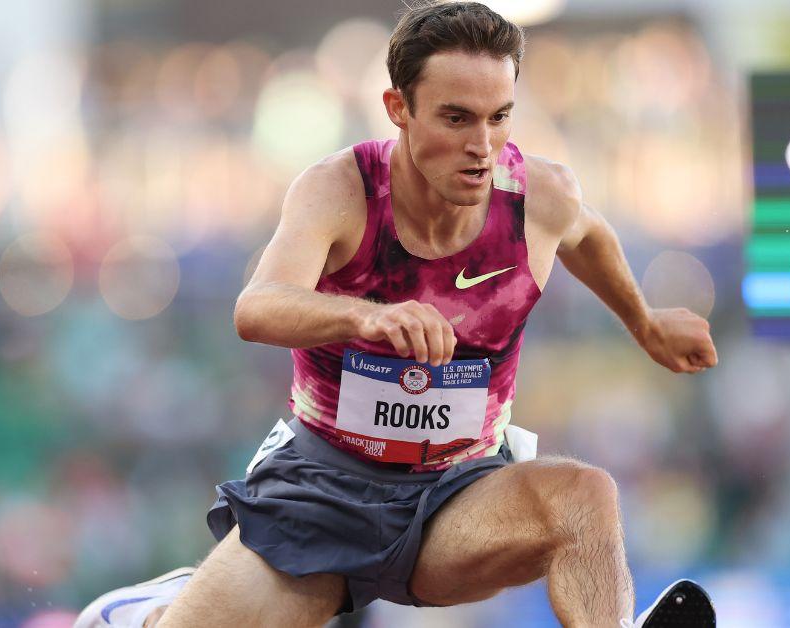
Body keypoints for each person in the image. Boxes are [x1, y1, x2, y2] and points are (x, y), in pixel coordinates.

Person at [77, 2, 719, 626]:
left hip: (459, 495)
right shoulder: (339, 189)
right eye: (456, 118)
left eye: (499, 117)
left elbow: (589, 237)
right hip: (323, 491)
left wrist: (645, 321)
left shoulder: (538, 196)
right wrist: (363, 317)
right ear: (399, 110)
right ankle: (152, 614)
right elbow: (258, 307)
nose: (482, 146)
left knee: (585, 496)